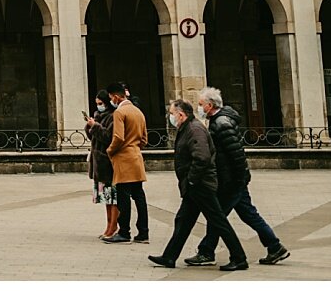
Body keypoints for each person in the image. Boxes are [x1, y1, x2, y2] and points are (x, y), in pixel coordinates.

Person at [185, 87, 290, 267]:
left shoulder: (221, 123)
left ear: (210, 105)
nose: (199, 107)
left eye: (201, 104)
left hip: (231, 180)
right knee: (248, 214)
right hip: (233, 179)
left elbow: (236, 154)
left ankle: (207, 252)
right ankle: (274, 247)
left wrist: (239, 180)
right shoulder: (217, 120)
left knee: (217, 216)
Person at [148, 100, 248, 271]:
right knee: (183, 220)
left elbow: (202, 157)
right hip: (193, 185)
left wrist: (192, 180)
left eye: (172, 114)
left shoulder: (194, 129)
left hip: (201, 185)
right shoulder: (187, 127)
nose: (170, 117)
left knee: (218, 220)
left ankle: (239, 258)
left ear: (181, 114)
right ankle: (169, 256)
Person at [102, 81, 148, 244]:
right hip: (136, 156)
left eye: (110, 98)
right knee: (139, 195)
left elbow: (118, 137)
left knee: (123, 196)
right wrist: (135, 147)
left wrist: (110, 150)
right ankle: (143, 232)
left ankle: (124, 232)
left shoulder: (120, 113)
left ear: (115, 96)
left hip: (123, 158)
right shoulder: (138, 112)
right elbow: (144, 139)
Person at [83, 90, 118, 240]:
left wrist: (95, 126)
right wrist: (89, 126)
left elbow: (108, 137)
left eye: (101, 103)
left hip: (107, 162)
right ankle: (108, 224)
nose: (99, 106)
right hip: (98, 162)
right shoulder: (98, 115)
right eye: (97, 104)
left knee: (113, 197)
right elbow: (93, 136)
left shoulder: (112, 116)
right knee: (105, 197)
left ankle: (113, 225)